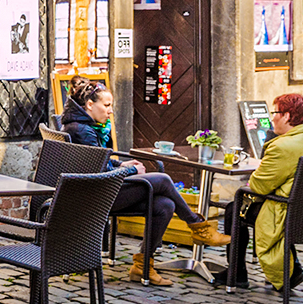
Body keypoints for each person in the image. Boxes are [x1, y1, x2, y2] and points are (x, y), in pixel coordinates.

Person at [62, 79, 231, 285]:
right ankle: (198, 226)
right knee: (162, 179)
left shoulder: (83, 126)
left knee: (164, 205)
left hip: (100, 189)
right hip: (96, 196)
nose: (111, 111)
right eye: (106, 105)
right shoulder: (82, 130)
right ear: (89, 104)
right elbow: (100, 170)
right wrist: (131, 169)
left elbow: (99, 161)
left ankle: (142, 266)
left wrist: (121, 165)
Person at [229, 92, 303, 291]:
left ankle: (237, 274)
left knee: (234, 208)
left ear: (287, 116)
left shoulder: (282, 146)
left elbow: (259, 186)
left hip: (292, 215)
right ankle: (292, 268)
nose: (272, 118)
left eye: (275, 113)